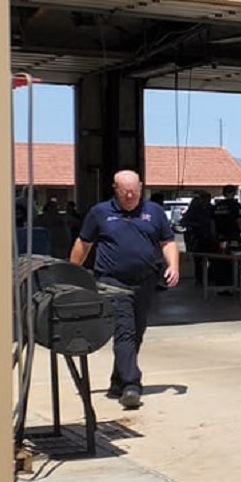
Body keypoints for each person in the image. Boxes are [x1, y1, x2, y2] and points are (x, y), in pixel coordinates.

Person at [69, 169, 180, 410]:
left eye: (135, 191)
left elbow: (167, 241)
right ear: (115, 189)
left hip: (145, 280)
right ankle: (132, 385)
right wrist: (71, 272)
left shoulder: (154, 212)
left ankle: (118, 380)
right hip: (112, 282)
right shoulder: (100, 212)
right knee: (125, 331)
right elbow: (84, 243)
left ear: (141, 187)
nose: (131, 196)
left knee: (137, 332)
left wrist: (173, 265)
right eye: (126, 192)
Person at [180, 189, 217, 286]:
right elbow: (183, 222)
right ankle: (199, 279)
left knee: (213, 259)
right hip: (197, 237)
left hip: (211, 237)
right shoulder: (195, 209)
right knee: (199, 260)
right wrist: (195, 225)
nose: (205, 200)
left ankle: (211, 277)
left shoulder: (213, 209)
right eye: (203, 198)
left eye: (207, 198)